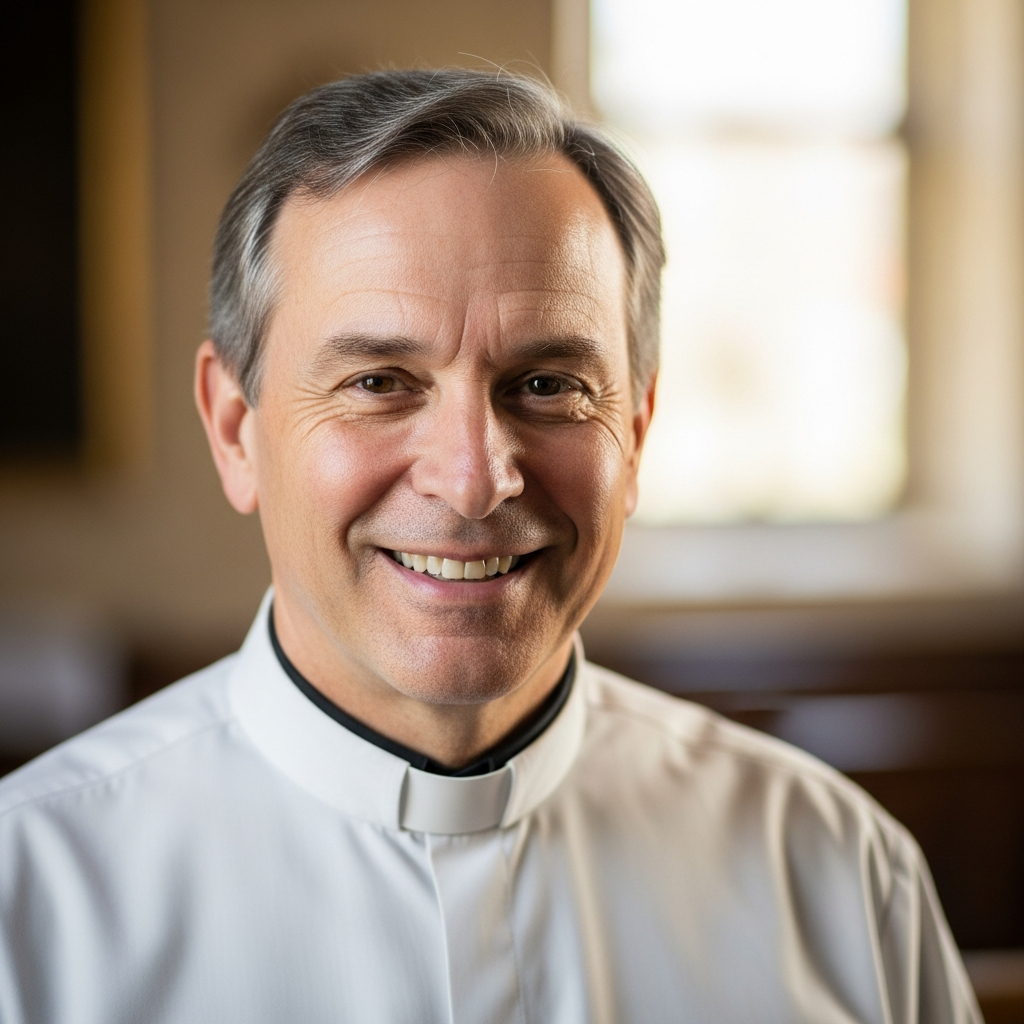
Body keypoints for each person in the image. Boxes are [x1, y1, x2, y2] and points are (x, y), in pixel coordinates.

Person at [0, 70, 979, 1023]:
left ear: (633, 435)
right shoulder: (28, 897)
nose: (474, 479)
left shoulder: (834, 871)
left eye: (548, 384)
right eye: (381, 381)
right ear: (233, 428)